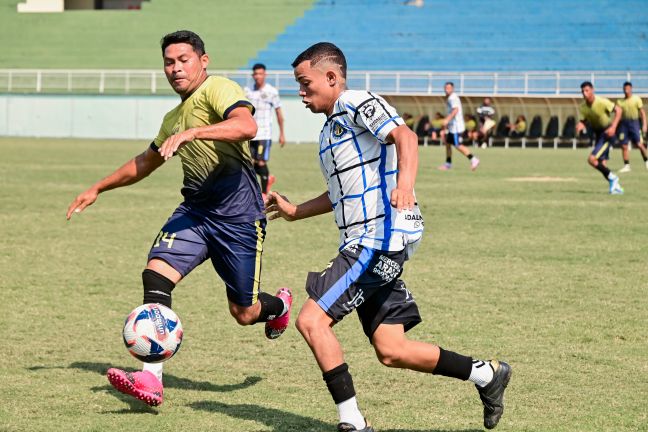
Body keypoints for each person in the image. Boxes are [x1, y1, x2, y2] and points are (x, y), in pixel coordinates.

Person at [266, 42, 511, 432]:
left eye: (305, 83)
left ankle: (353, 423)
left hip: (374, 240)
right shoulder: (330, 132)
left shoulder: (357, 101)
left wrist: (406, 184)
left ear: (332, 77)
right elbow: (340, 193)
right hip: (369, 243)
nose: (301, 92)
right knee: (392, 350)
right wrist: (295, 212)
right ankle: (487, 375)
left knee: (312, 321)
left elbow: (405, 137)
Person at [65, 30, 293, 407]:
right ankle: (151, 378)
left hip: (237, 219)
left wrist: (194, 133)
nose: (175, 68)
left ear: (203, 60)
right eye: (169, 62)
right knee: (155, 275)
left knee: (244, 311)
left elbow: (246, 126)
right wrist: (98, 188)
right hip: (195, 213)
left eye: (183, 59)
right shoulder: (173, 117)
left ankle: (279, 307)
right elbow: (146, 161)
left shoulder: (218, 88)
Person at [244, 63, 286, 195]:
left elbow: (279, 113)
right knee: (249, 163)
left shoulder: (271, 92)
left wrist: (282, 133)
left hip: (264, 133)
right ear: (252, 75)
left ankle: (263, 193)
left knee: (261, 162)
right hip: (250, 133)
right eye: (255, 74)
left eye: (260, 73)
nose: (258, 76)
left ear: (265, 75)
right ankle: (267, 179)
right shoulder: (247, 91)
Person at [576, 81, 624, 194]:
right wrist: (581, 124)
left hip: (607, 134)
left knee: (592, 159)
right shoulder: (582, 107)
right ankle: (616, 187)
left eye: (587, 90)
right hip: (598, 135)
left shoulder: (602, 102)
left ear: (592, 90)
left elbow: (619, 110)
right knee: (602, 165)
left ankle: (614, 178)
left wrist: (613, 127)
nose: (584, 93)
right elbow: (584, 120)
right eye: (582, 91)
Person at [438, 82, 480, 171]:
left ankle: (474, 159)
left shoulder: (453, 98)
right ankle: (448, 164)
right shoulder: (450, 98)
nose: (447, 90)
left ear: (452, 89)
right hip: (452, 126)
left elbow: (455, 110)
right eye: (445, 88)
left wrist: (447, 120)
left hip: (456, 127)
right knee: (448, 144)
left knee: (457, 145)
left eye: (449, 88)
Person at [616, 81, 648, 172]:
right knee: (624, 145)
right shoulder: (620, 101)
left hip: (635, 123)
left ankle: (646, 161)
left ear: (631, 89)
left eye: (628, 88)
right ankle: (627, 165)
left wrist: (645, 124)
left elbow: (642, 113)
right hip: (624, 124)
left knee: (639, 144)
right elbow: (618, 115)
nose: (626, 90)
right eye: (624, 89)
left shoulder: (636, 99)